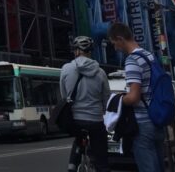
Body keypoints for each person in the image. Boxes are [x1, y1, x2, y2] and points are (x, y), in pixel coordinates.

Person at [109, 22, 163, 172]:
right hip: (157, 119)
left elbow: (134, 97)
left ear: (120, 39)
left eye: (114, 43)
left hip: (143, 123)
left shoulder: (132, 60)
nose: (115, 48)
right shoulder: (149, 55)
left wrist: (117, 100)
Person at [61, 35, 111, 172]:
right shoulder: (100, 72)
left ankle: (72, 166)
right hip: (95, 119)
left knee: (78, 140)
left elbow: (64, 95)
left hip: (75, 120)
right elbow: (106, 97)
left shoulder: (66, 69)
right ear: (90, 52)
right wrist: (103, 110)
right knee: (101, 157)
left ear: (77, 51)